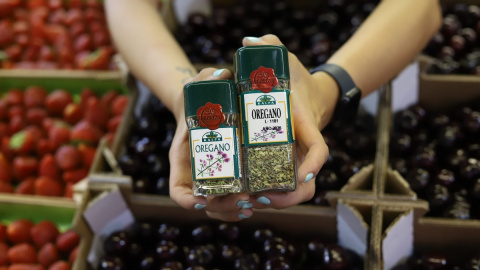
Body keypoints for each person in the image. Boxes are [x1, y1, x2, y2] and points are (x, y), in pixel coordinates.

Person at [104, 0, 442, 222]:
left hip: (361, 50)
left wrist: (327, 89)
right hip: (200, 41)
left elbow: (421, 6)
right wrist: (184, 95)